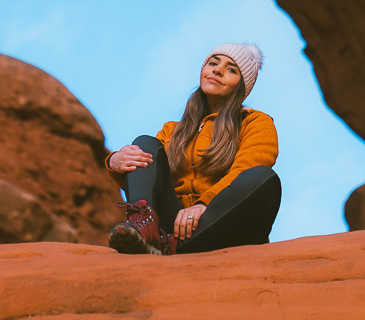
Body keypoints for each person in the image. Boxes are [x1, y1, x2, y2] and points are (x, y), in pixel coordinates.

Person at [105, 42, 281, 255]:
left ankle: (172, 247)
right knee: (145, 143)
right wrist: (115, 162)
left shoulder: (254, 122)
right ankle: (144, 225)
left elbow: (248, 167)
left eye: (231, 69)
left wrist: (205, 204)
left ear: (241, 86)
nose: (217, 70)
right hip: (173, 226)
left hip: (218, 223)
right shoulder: (172, 131)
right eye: (213, 63)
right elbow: (148, 178)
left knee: (262, 177)